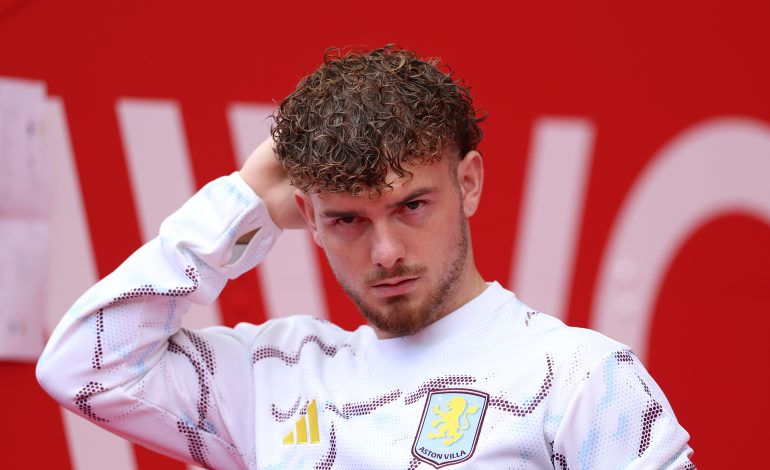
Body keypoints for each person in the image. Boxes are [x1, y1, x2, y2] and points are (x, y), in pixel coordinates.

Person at [37, 45, 694, 469]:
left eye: (411, 206)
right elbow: (82, 367)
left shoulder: (580, 377)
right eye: (348, 219)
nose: (385, 252)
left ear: (468, 183)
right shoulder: (276, 381)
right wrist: (242, 204)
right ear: (308, 219)